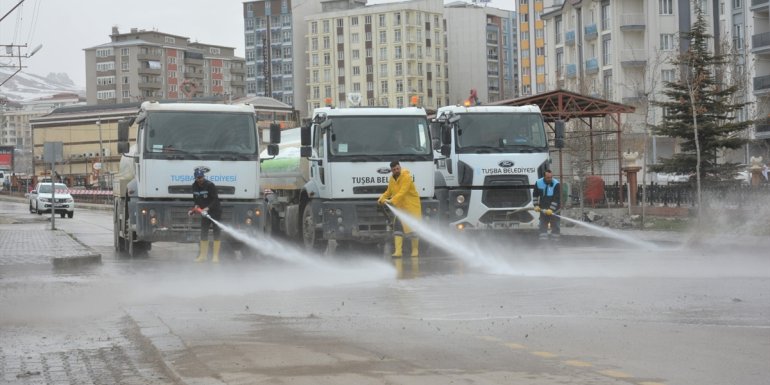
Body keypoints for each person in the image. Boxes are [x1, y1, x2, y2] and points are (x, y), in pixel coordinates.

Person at [377, 160, 422, 257]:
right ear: (392, 170)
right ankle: (398, 252)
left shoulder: (406, 177)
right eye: (394, 169)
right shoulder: (392, 179)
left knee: (413, 229)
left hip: (411, 207)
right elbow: (388, 191)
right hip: (400, 207)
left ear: (400, 167)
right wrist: (382, 198)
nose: (396, 170)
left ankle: (415, 250)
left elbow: (403, 192)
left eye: (398, 168)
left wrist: (391, 201)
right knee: (397, 227)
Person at [189, 167, 223, 263]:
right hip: (204, 213)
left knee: (216, 232)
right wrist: (195, 208)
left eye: (201, 177)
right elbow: (196, 199)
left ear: (203, 177)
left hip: (215, 211)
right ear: (196, 178)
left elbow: (215, 199)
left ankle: (215, 257)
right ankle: (203, 256)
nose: (200, 179)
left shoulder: (210, 185)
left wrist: (207, 208)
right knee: (203, 232)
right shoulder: (194, 186)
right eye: (198, 178)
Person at [533, 169, 561, 241]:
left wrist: (551, 209)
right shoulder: (538, 183)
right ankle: (543, 243)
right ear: (544, 177)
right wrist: (536, 205)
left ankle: (555, 242)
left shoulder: (556, 184)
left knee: (555, 225)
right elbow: (535, 195)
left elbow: (556, 199)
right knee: (542, 225)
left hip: (555, 210)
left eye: (551, 177)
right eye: (548, 178)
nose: (550, 179)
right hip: (543, 209)